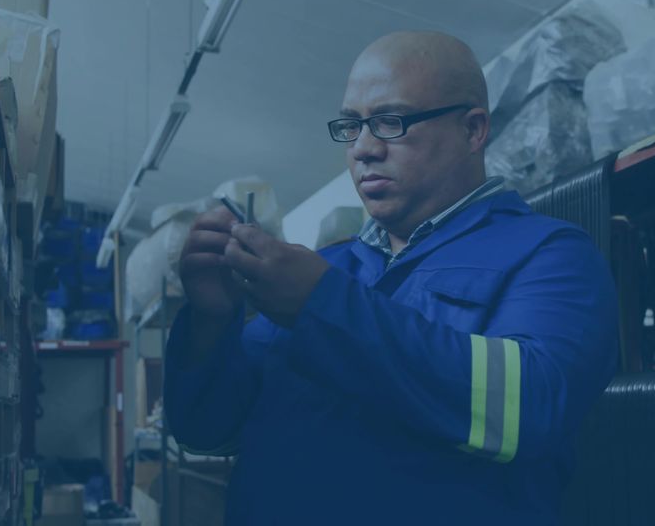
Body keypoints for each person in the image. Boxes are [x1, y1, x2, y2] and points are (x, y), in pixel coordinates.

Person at [164, 31, 619, 525]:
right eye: (351, 126)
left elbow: (529, 410)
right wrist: (213, 323)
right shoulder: (327, 268)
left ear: (472, 130)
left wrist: (322, 305)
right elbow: (206, 431)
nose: (363, 149)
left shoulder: (551, 255)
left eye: (390, 122)